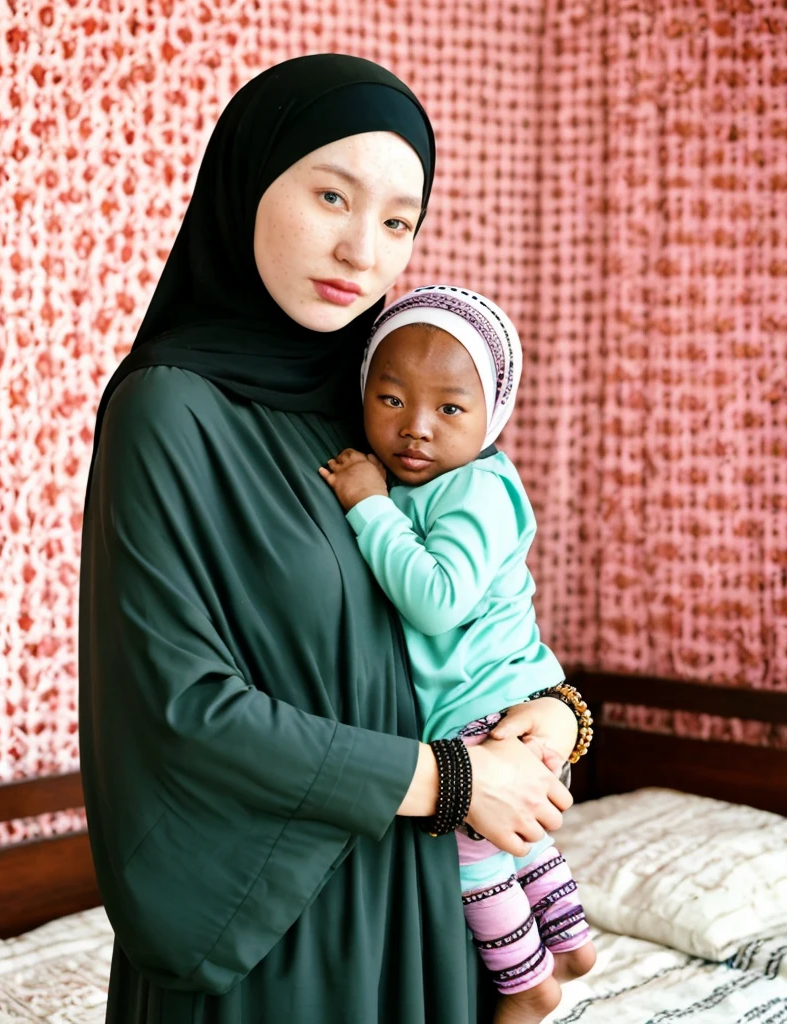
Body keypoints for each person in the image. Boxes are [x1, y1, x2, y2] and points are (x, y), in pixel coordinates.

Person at [79, 54, 581, 1024]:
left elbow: (452, 620)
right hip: (276, 925)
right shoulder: (168, 412)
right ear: (248, 182)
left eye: (397, 221)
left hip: (420, 895)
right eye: (330, 195)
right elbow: (182, 707)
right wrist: (449, 776)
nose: (362, 250)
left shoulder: (371, 416)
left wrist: (558, 713)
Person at [319, 285, 596, 1023]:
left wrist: (367, 503)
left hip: (498, 715)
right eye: (389, 399)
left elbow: (437, 597)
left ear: (492, 415)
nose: (415, 429)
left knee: (469, 859)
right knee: (516, 839)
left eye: (449, 409)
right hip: (486, 709)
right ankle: (569, 942)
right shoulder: (434, 486)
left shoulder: (478, 488)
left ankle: (527, 984)